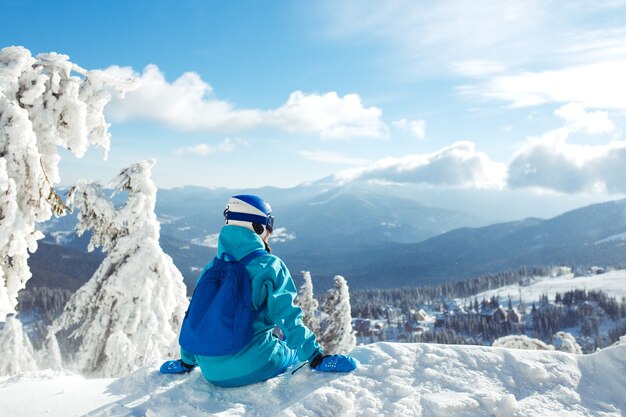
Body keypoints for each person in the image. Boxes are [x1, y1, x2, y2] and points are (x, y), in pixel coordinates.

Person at [161, 194, 357, 387]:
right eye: (268, 227)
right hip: (254, 366)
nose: (269, 235)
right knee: (289, 349)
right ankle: (292, 350)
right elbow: (288, 317)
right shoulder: (270, 266)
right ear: (258, 227)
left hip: (210, 372)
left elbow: (196, 317)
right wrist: (316, 358)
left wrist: (186, 362)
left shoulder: (211, 268)